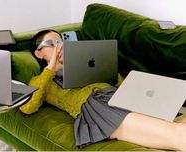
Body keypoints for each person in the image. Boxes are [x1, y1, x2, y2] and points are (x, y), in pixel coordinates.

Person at [20, 29, 186, 151]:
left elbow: (118, 83)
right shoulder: (43, 80)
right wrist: (51, 69)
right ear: (39, 53)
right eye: (53, 43)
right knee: (177, 134)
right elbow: (28, 107)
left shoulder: (85, 62)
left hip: (120, 96)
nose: (60, 46)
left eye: (61, 41)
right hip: (97, 106)